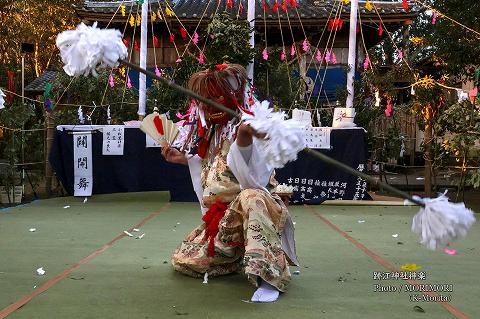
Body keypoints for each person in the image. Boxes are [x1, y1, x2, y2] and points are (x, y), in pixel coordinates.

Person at [161, 63, 297, 302]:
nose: (209, 105)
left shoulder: (247, 126)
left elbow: (251, 176)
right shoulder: (212, 134)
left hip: (251, 210)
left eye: (215, 97)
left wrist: (245, 136)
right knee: (185, 261)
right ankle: (236, 257)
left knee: (251, 197)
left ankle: (269, 276)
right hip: (222, 220)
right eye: (204, 100)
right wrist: (182, 159)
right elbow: (214, 170)